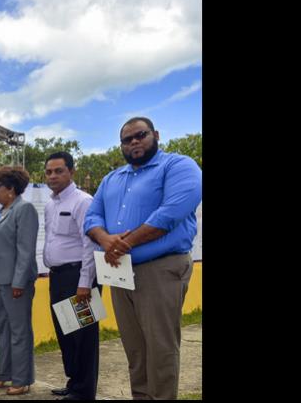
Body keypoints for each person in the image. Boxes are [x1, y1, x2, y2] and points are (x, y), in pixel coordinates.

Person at [84, 117, 202, 400]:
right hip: (120, 270)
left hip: (160, 269)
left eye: (141, 135)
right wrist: (106, 240)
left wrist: (123, 243)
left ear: (156, 134)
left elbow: (170, 214)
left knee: (160, 347)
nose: (134, 142)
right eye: (127, 139)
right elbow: (92, 217)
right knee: (134, 348)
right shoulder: (111, 179)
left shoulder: (178, 166)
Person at [42, 152, 99, 400]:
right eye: (48, 172)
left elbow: (91, 245)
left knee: (83, 336)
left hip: (79, 276)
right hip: (58, 277)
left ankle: (84, 391)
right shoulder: (50, 204)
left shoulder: (83, 201)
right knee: (65, 333)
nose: (52, 176)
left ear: (71, 172)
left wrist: (85, 283)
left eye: (59, 171)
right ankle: (74, 383)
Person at [0, 166, 38, 395]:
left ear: (11, 189)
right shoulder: (1, 212)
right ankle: (4, 374)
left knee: (19, 332)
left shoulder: (24, 209)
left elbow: (26, 250)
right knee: (3, 329)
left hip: (14, 282)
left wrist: (19, 282)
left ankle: (22, 379)